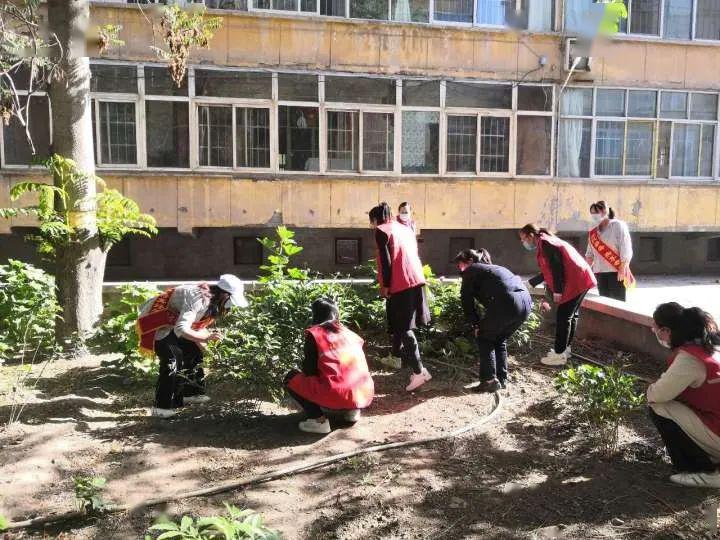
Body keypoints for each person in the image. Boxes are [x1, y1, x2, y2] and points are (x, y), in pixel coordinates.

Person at [137, 274, 248, 418]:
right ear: (225, 295)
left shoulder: (211, 300)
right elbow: (182, 329)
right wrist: (207, 338)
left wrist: (210, 348)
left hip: (174, 321)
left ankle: (190, 393)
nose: (230, 306)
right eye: (231, 301)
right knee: (172, 358)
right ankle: (162, 407)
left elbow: (195, 327)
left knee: (194, 350)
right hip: (157, 321)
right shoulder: (198, 298)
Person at [648, 302, 720, 487]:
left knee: (659, 407)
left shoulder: (690, 360)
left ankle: (702, 469)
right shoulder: (710, 346)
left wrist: (651, 389)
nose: (653, 331)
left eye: (655, 328)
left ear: (666, 331)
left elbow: (657, 395)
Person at [285, 299, 375, 434]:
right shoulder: (349, 333)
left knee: (290, 377)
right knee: (345, 376)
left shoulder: (315, 334)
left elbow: (309, 370)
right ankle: (352, 410)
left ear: (315, 314)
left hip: (336, 393)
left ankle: (318, 420)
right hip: (363, 393)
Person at [369, 202, 432, 391]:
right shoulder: (403, 228)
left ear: (375, 219)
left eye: (371, 221)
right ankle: (407, 363)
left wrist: (386, 286)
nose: (371, 225)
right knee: (403, 327)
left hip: (400, 283)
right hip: (416, 281)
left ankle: (419, 372)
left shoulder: (382, 230)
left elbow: (386, 261)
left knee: (404, 329)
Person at [454, 248, 532, 393]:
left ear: (469, 261)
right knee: (499, 339)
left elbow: (466, 300)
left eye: (460, 265)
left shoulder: (472, 270)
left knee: (484, 337)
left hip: (507, 303)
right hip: (525, 303)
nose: (460, 270)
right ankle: (501, 380)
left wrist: (475, 324)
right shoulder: (494, 269)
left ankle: (489, 380)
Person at [519, 224, 596, 367]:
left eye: (523, 239)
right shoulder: (547, 241)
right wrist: (531, 283)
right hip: (581, 278)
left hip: (576, 280)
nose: (523, 242)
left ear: (531, 236)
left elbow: (556, 267)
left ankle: (559, 355)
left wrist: (558, 291)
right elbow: (548, 270)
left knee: (563, 317)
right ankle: (565, 350)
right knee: (571, 316)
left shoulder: (547, 243)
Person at [585, 200, 634, 301]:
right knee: (604, 303)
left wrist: (622, 268)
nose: (594, 216)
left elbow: (626, 248)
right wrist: (585, 271)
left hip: (616, 271)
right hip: (600, 272)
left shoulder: (618, 226)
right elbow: (590, 254)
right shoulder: (593, 232)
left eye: (596, 212)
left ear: (605, 211)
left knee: (618, 303)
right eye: (592, 213)